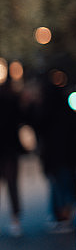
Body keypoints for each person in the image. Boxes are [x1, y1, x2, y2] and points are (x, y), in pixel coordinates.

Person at [33, 79, 76, 232]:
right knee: (70, 184)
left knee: (59, 185)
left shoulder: (45, 110)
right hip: (69, 154)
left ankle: (63, 216)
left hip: (54, 155)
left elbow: (37, 125)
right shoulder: (65, 107)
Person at [0, 82, 25, 237]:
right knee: (12, 184)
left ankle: (15, 219)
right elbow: (22, 120)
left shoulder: (11, 100)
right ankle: (15, 219)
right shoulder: (12, 100)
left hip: (7, 148)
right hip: (10, 149)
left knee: (11, 184)